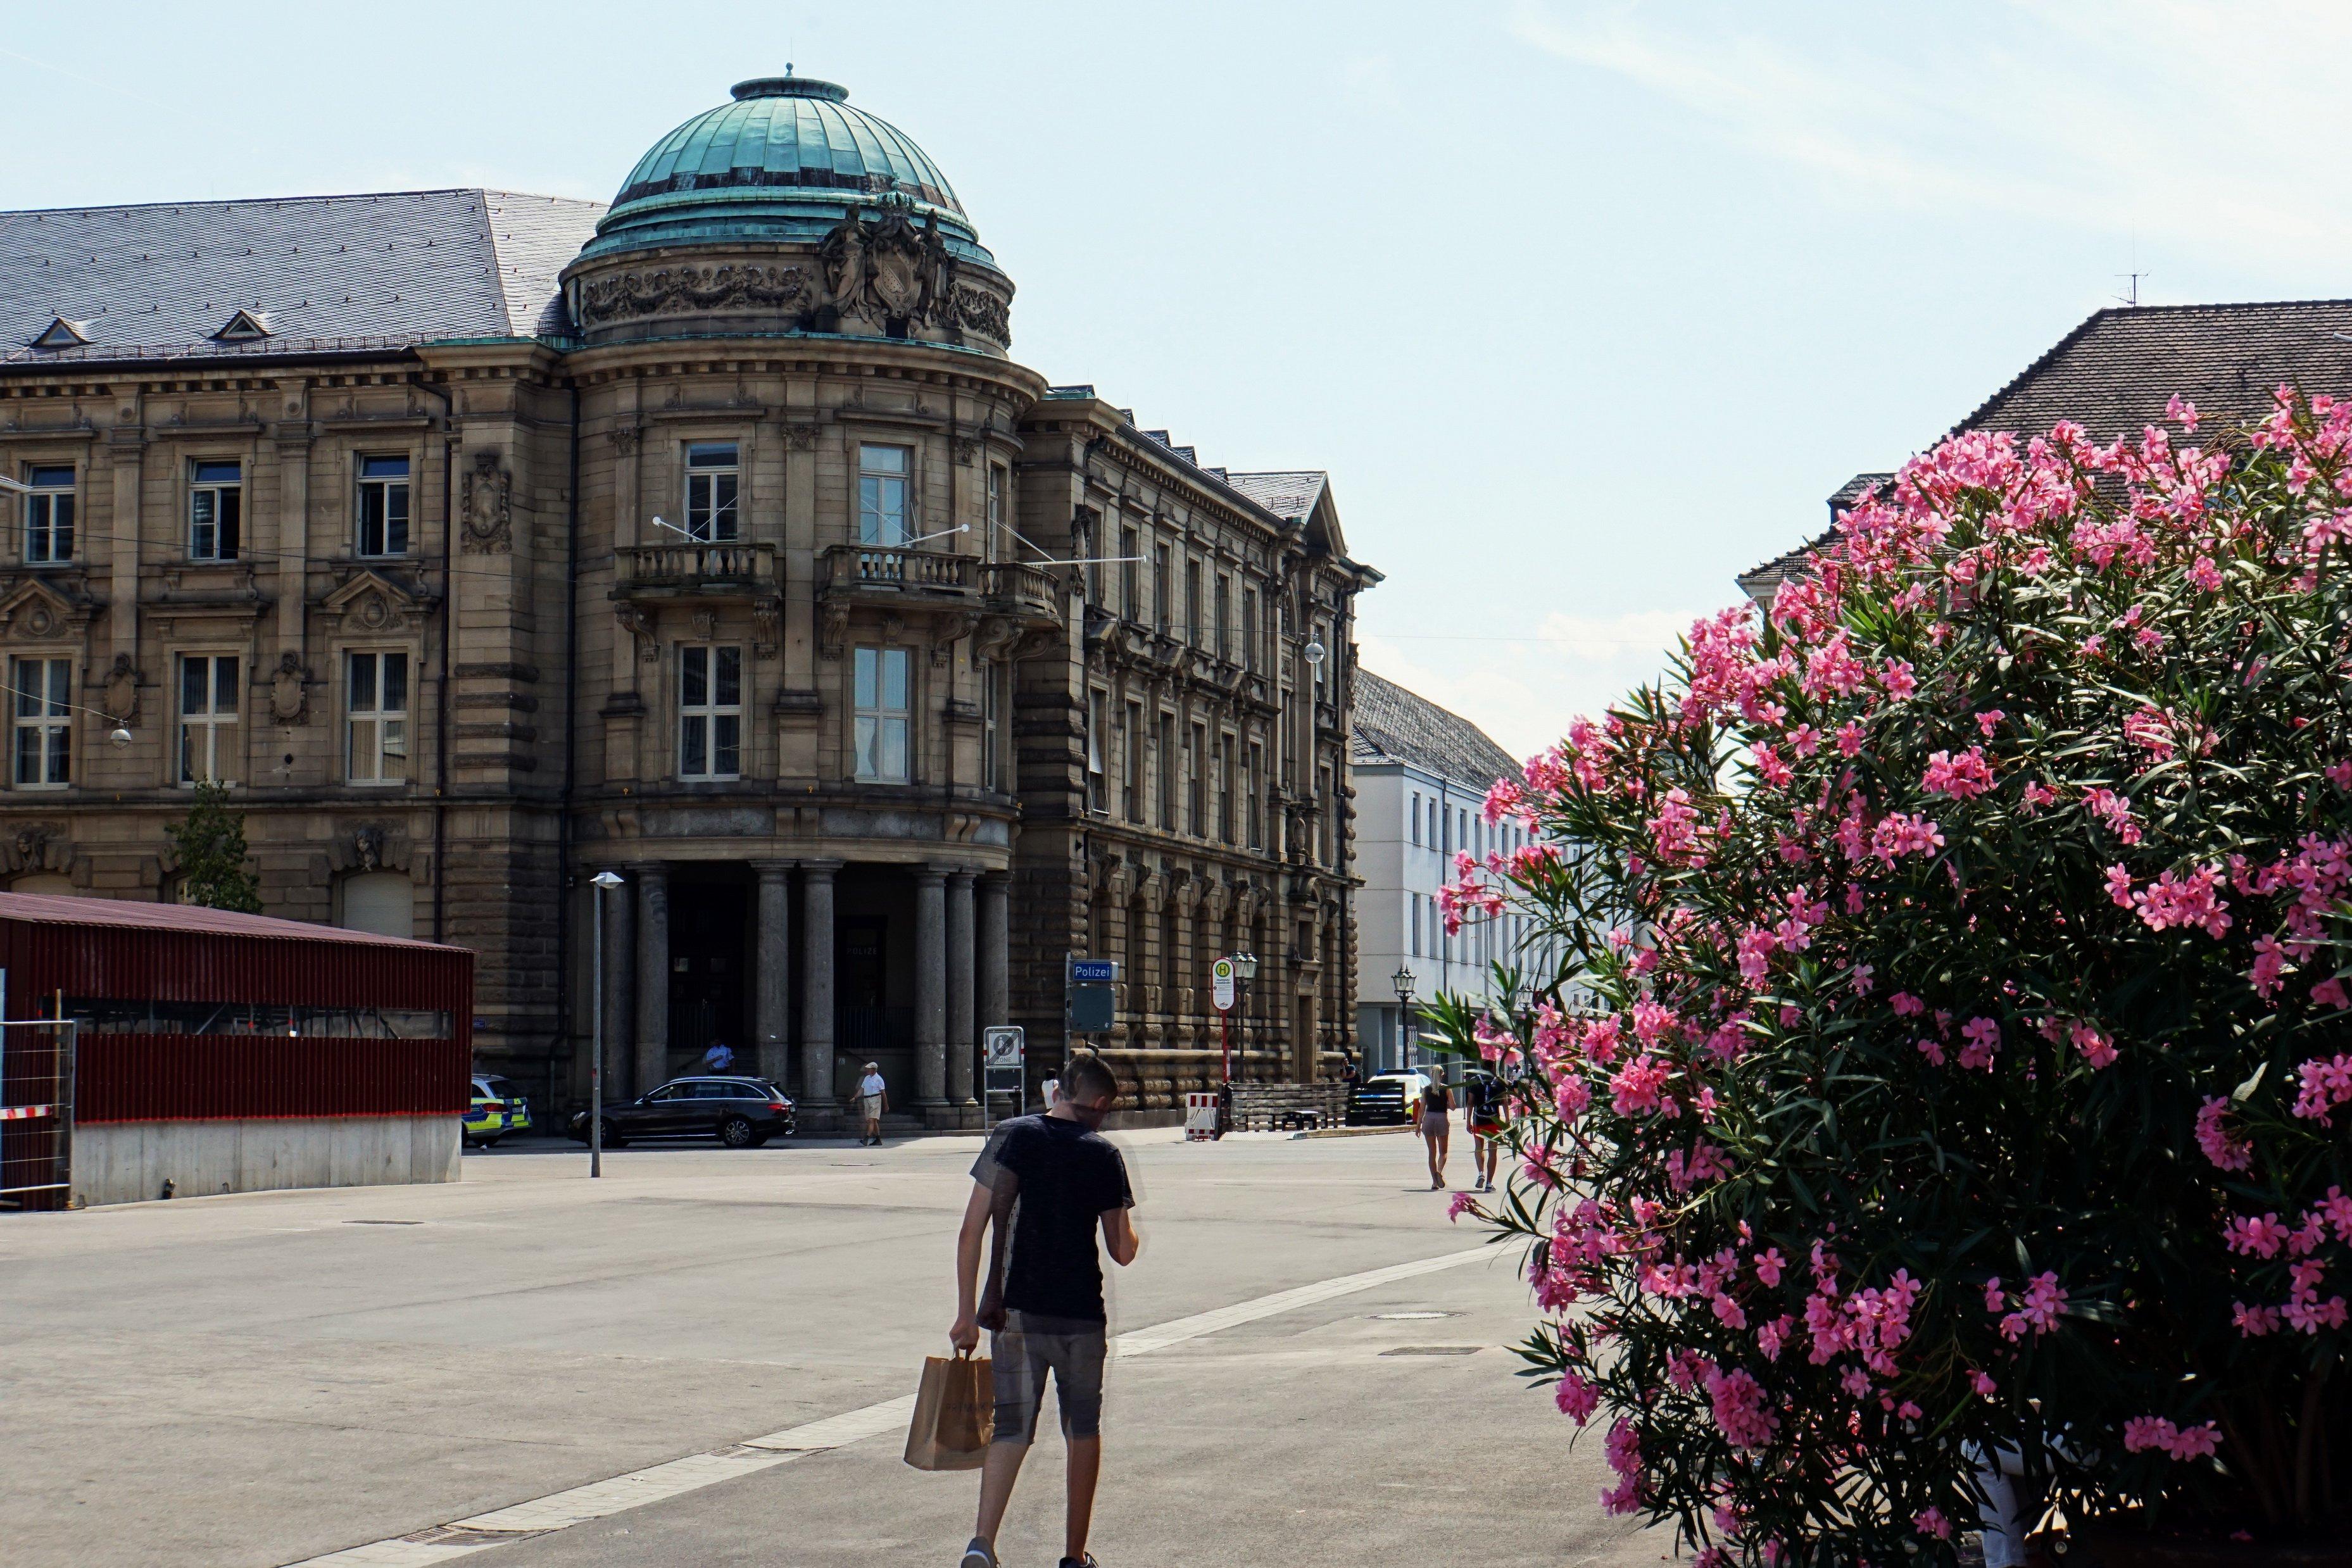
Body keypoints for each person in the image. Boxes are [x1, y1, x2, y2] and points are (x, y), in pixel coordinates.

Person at [950, 1050, 1138, 1568]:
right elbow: (1122, 1250)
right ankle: (1074, 1556)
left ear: (1058, 1091)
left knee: (1011, 1427)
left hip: (1014, 1315)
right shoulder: (1102, 1154)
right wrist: (1132, 1224)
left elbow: (972, 1229)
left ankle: (982, 1542)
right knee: (1082, 1428)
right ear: (1098, 1103)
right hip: (1078, 1318)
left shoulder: (1012, 1136)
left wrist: (966, 1314)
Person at [1464, 1069, 1506, 1193]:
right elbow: (1504, 1102)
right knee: (1493, 1152)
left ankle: (1481, 1173)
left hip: (1479, 1119)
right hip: (1494, 1120)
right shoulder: (1499, 1082)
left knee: (1479, 1148)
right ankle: (1489, 1183)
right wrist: (1507, 1121)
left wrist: (1468, 1121)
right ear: (1493, 1065)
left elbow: (1470, 1103)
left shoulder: (1474, 1081)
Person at [1418, 1069, 1453, 1190]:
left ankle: (1434, 1182)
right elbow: (1454, 1107)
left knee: (1432, 1153)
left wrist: (1418, 1126)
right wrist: (1446, 1103)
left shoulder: (1426, 1089)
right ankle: (1439, 1171)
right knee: (1443, 1152)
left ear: (1431, 1074)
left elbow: (1421, 1109)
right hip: (1442, 1118)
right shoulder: (1447, 1088)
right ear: (1443, 1075)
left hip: (1428, 1119)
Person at [856, 1062, 888, 1146]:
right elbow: (862, 1089)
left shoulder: (879, 1079)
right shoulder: (867, 1078)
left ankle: (866, 1139)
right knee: (872, 1121)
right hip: (867, 1100)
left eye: (869, 1069)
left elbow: (883, 1093)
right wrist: (855, 1097)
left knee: (871, 1121)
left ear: (873, 1070)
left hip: (875, 1100)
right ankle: (878, 1139)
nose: (867, 1070)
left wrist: (886, 1105)